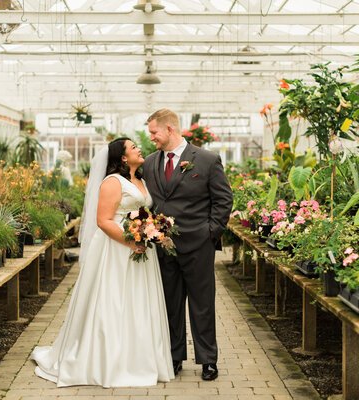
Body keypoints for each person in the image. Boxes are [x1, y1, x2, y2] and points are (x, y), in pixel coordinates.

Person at [31, 138, 174, 387]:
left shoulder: (140, 180)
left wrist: (151, 229)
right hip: (116, 250)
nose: (139, 148)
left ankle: (138, 359)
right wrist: (131, 241)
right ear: (122, 157)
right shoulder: (112, 182)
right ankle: (107, 362)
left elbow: (143, 212)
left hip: (141, 249)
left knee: (137, 302)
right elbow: (104, 220)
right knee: (113, 300)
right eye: (133, 147)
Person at [143, 109, 233, 381]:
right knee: (169, 304)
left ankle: (208, 360)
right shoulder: (149, 162)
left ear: (170, 129)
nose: (152, 138)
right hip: (162, 246)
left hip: (198, 245)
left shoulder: (206, 160)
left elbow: (223, 200)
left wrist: (210, 233)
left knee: (202, 304)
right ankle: (173, 357)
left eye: (154, 132)